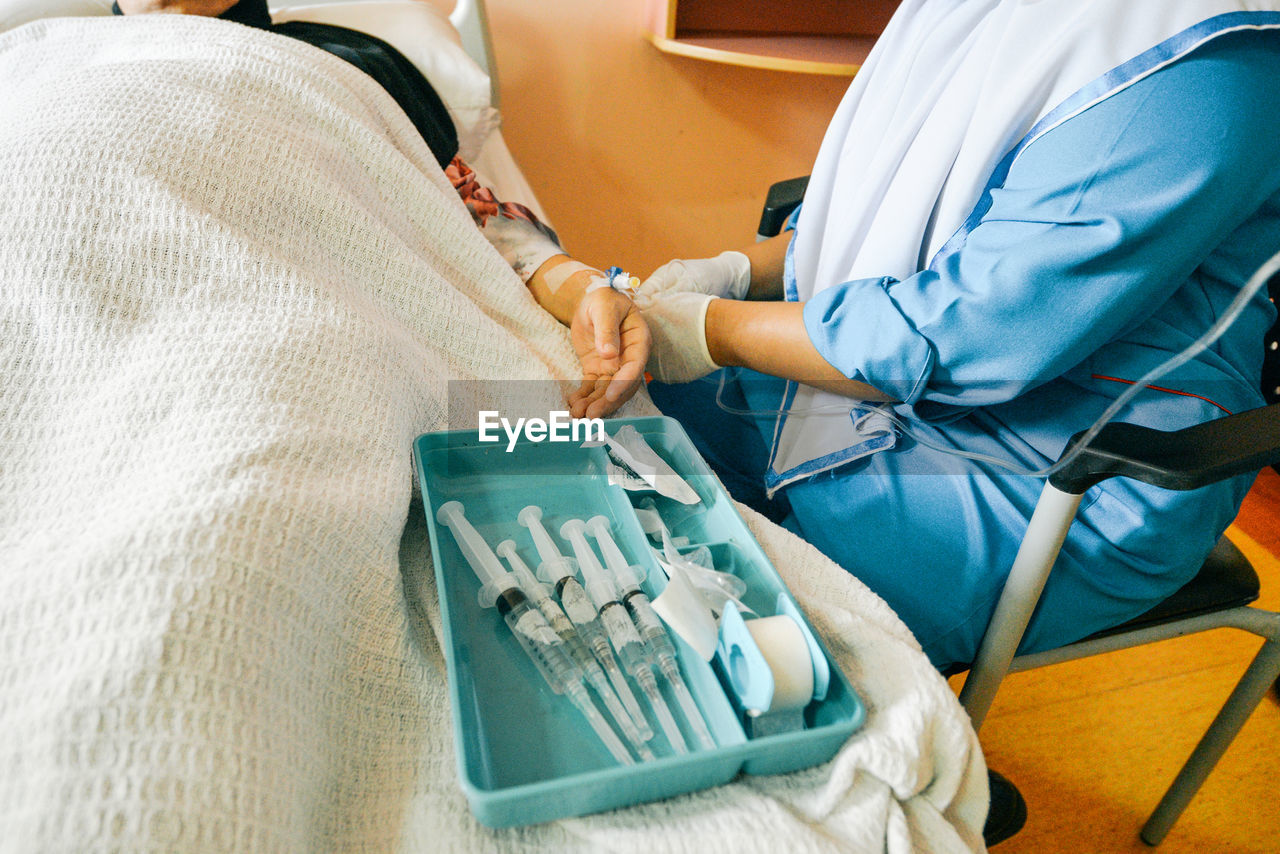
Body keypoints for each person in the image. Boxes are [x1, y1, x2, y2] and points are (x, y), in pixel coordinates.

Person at [635, 0, 1280, 674]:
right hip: (890, 372)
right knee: (606, 435)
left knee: (737, 657)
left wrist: (711, 329)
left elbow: (965, 336)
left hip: (1071, 464)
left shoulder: (1200, 65)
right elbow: (897, 215)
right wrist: (737, 275)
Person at [113, 0, 650, 421]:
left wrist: (584, 288)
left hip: (301, 341)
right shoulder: (36, 53)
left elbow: (477, 219)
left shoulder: (346, 63)